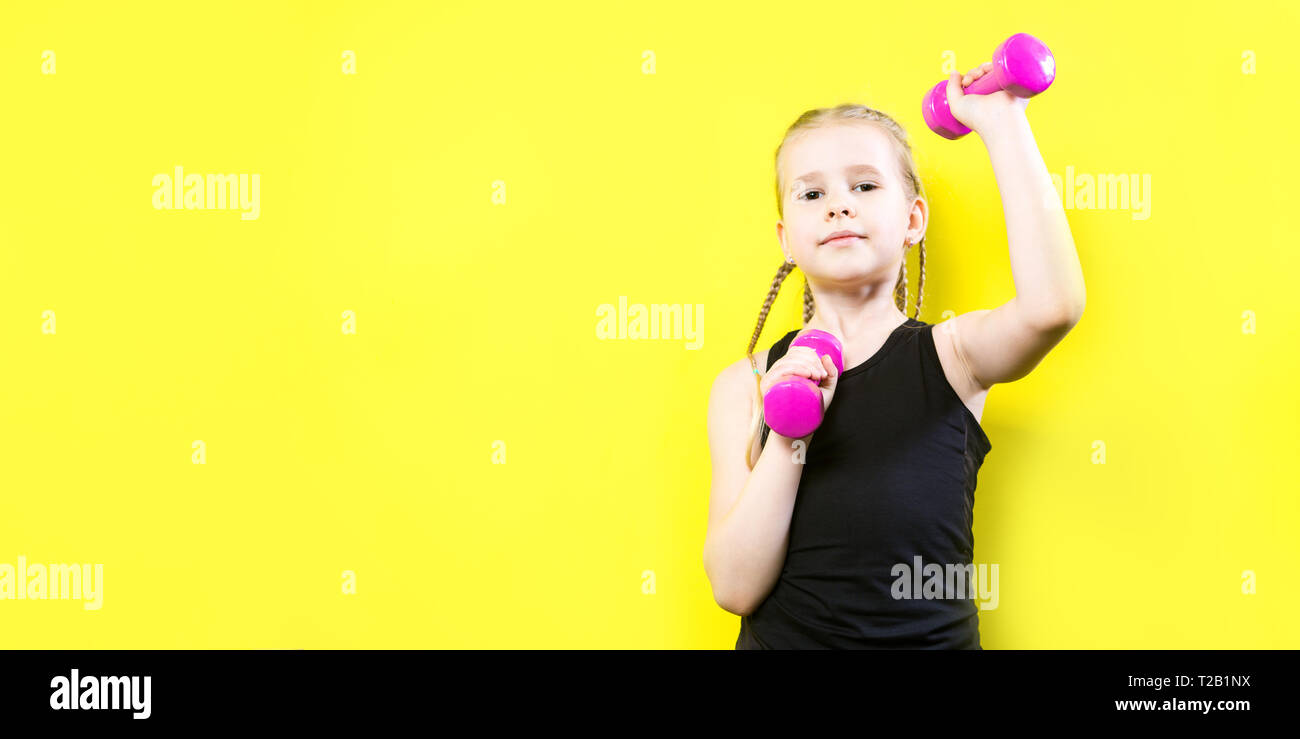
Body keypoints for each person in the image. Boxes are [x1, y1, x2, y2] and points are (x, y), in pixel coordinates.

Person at [703, 64, 1086, 648]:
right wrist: (786, 435)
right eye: (812, 193)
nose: (838, 206)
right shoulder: (747, 384)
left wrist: (1002, 123)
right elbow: (734, 586)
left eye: (864, 186)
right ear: (786, 238)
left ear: (913, 220)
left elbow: (1051, 308)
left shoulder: (952, 356)